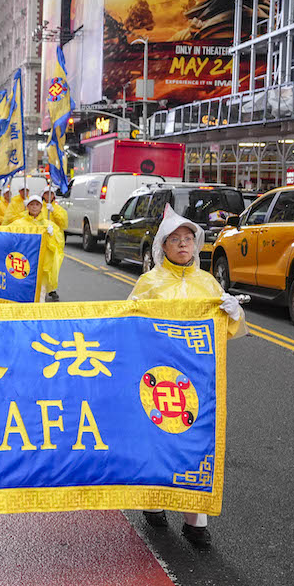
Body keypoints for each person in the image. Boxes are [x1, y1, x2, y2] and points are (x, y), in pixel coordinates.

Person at [128, 204, 247, 549]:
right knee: (158, 441)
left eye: (188, 239)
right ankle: (154, 503)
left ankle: (196, 522)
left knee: (197, 444)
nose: (183, 244)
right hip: (157, 378)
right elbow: (127, 325)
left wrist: (234, 314)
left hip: (198, 382)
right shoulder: (148, 284)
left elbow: (226, 332)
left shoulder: (208, 283)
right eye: (175, 239)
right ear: (162, 246)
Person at [10, 195, 65, 302]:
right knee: (23, 295)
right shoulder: (19, 224)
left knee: (40, 296)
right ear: (27, 207)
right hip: (23, 266)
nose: (34, 207)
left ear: (41, 207)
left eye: (37, 204)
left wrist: (52, 234)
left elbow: (58, 245)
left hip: (41, 267)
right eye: (32, 204)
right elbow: (7, 236)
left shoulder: (49, 225)